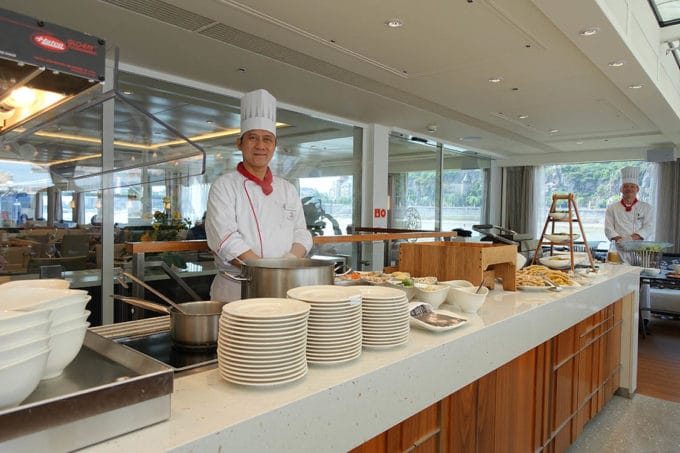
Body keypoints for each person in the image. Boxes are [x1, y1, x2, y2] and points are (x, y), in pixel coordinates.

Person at [205, 89, 313, 302]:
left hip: (283, 286)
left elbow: (301, 233)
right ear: (240, 143)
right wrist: (267, 272)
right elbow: (226, 239)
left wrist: (289, 261)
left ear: (274, 145)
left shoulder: (287, 189)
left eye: (267, 139)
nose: (260, 146)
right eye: (252, 138)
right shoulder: (224, 186)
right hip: (237, 289)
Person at [604, 166, 654, 243]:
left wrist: (631, 238)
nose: (629, 189)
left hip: (638, 248)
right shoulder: (612, 208)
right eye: (626, 186)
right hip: (618, 248)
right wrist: (620, 240)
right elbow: (608, 228)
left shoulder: (646, 208)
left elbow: (648, 227)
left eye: (632, 186)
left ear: (637, 189)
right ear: (621, 189)